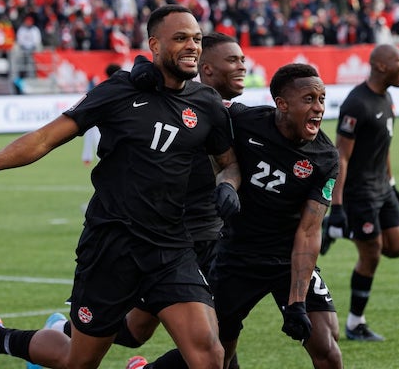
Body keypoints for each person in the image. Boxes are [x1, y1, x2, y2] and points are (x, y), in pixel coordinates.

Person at [0, 4, 241, 369]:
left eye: (196, 38)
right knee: (78, 362)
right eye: (180, 38)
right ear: (154, 44)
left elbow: (229, 164)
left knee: (209, 355)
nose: (192, 46)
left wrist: (228, 186)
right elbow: (46, 137)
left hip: (171, 245)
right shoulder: (119, 90)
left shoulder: (207, 103)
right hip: (111, 245)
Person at [33, 32, 247, 369]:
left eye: (243, 60)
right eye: (233, 61)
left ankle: (73, 335)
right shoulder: (156, 103)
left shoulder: (240, 117)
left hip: (204, 241)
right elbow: (51, 136)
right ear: (205, 69)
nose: (242, 67)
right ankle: (33, 334)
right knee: (136, 334)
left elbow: (236, 163)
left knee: (207, 347)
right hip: (159, 240)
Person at [130, 63, 343, 369]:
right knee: (218, 355)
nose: (318, 108)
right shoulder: (244, 119)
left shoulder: (325, 156)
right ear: (281, 104)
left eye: (321, 99)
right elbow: (197, 102)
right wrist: (149, 75)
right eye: (309, 99)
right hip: (236, 258)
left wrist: (297, 302)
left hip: (288, 259)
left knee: (326, 347)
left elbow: (309, 232)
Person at [320, 44, 399, 342]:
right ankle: (356, 323)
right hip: (359, 193)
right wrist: (337, 206)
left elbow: (385, 146)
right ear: (381, 66)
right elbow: (340, 156)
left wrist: (393, 185)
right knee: (371, 253)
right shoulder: (356, 103)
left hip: (382, 189)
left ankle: (337, 233)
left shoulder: (387, 98)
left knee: (395, 247)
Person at [80, 63, 121, 166]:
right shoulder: (120, 86)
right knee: (101, 136)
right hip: (107, 116)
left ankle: (87, 158)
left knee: (91, 135)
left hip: (93, 113)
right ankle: (97, 158)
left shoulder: (102, 85)